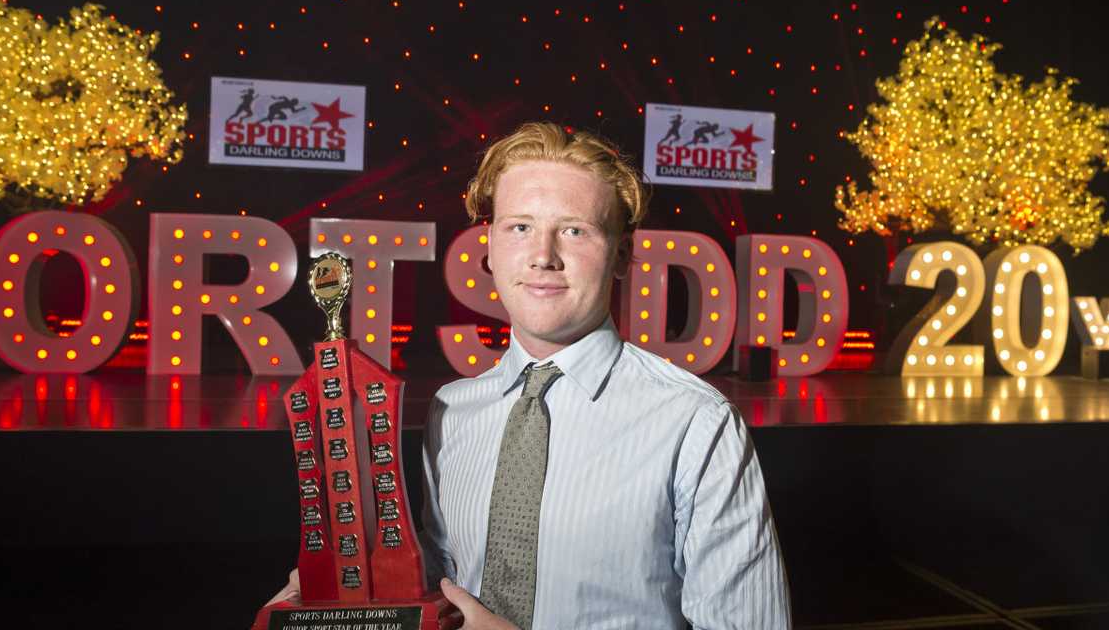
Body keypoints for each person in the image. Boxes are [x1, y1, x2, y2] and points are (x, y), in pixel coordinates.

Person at [268, 122, 790, 629]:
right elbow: (442, 586)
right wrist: (340, 597)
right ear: (490, 248)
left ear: (622, 255)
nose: (543, 257)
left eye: (574, 231)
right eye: (520, 227)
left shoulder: (696, 422)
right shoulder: (452, 411)